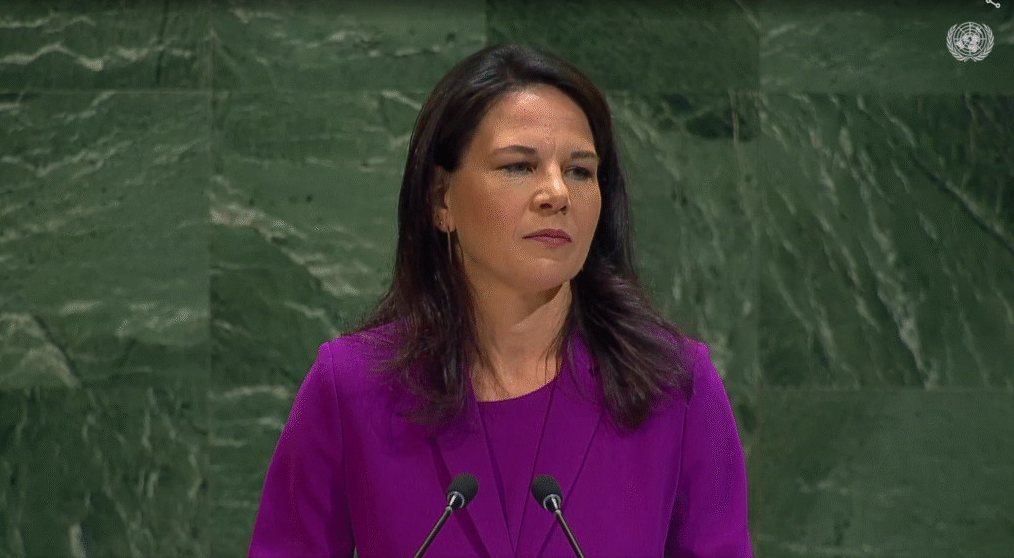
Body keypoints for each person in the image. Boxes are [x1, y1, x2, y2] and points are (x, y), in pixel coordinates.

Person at [248, 43, 752, 558]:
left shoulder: (675, 389)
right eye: (518, 166)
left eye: (579, 171)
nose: (556, 192)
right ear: (441, 199)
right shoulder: (351, 388)